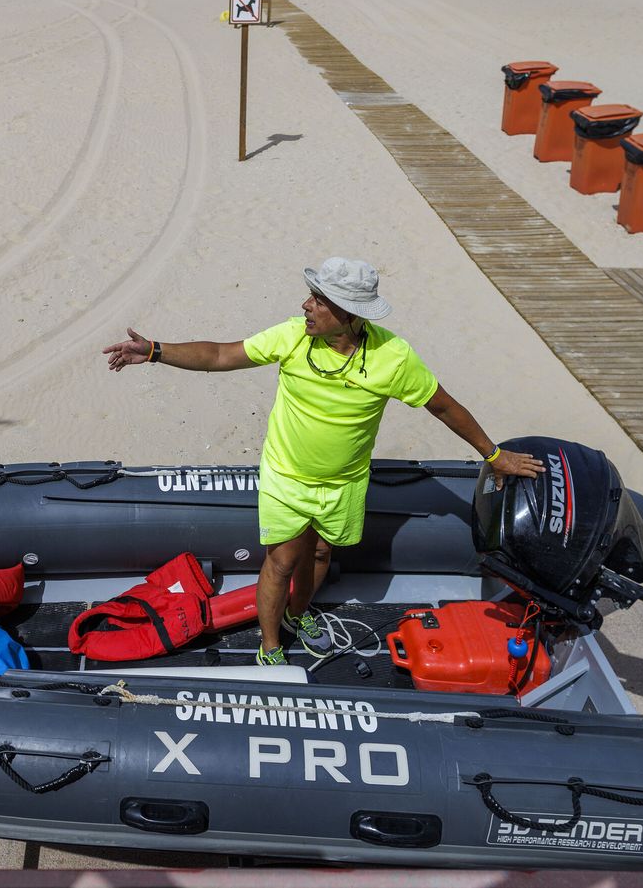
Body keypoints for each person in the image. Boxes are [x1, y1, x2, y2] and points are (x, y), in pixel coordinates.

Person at [103, 259, 541, 666]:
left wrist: (494, 455)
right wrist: (155, 350)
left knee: (320, 552)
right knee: (281, 562)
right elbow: (220, 355)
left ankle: (297, 615)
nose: (305, 305)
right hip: (286, 477)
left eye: (318, 300)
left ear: (350, 313)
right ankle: (270, 647)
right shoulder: (293, 335)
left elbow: (442, 406)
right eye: (311, 296)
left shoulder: (393, 357)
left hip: (344, 484)